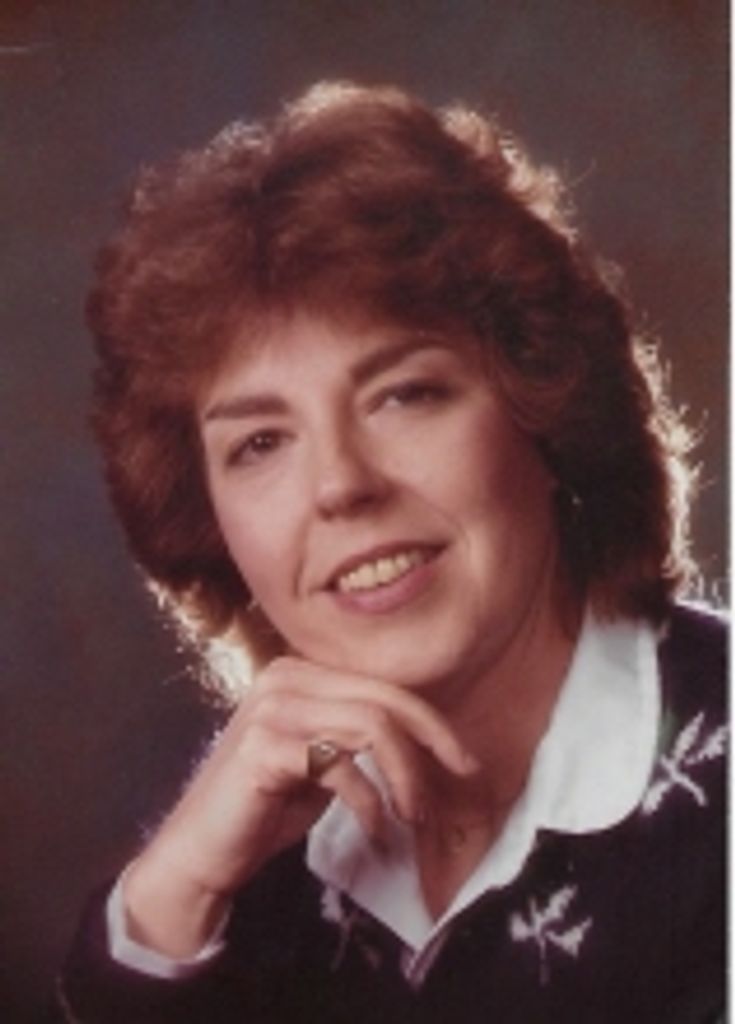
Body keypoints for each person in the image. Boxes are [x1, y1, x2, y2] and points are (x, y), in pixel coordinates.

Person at [57, 82, 725, 1023]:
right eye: (260, 443)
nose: (340, 485)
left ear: (547, 411)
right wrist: (174, 896)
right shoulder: (246, 870)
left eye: (403, 395)